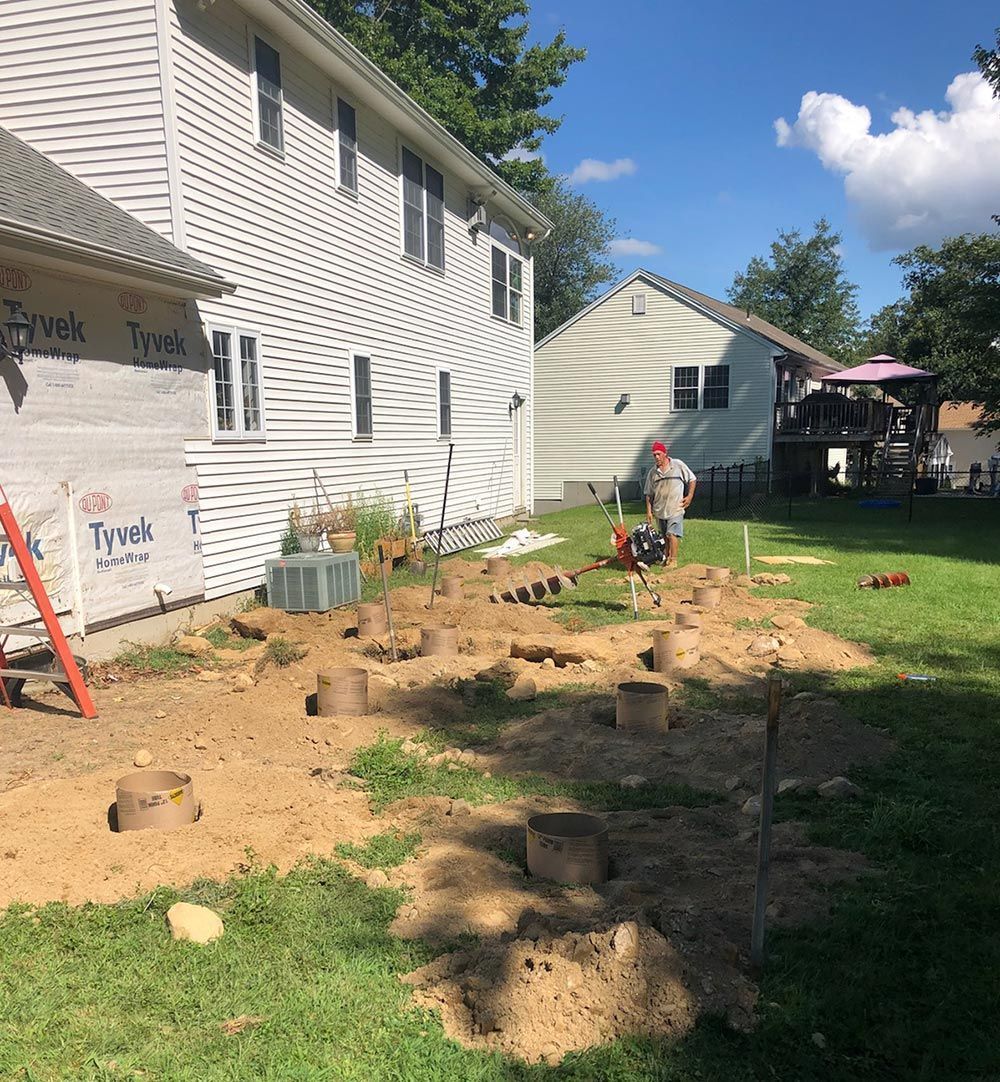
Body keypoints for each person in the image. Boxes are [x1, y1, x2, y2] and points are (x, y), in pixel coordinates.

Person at [644, 441, 697, 568]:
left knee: (672, 534)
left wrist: (689, 496)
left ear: (665, 453)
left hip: (675, 508)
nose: (656, 457)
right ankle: (666, 558)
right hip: (660, 509)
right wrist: (649, 511)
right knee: (664, 536)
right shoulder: (653, 473)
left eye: (658, 454)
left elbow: (692, 479)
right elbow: (648, 494)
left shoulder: (677, 465)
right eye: (654, 455)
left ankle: (673, 560)